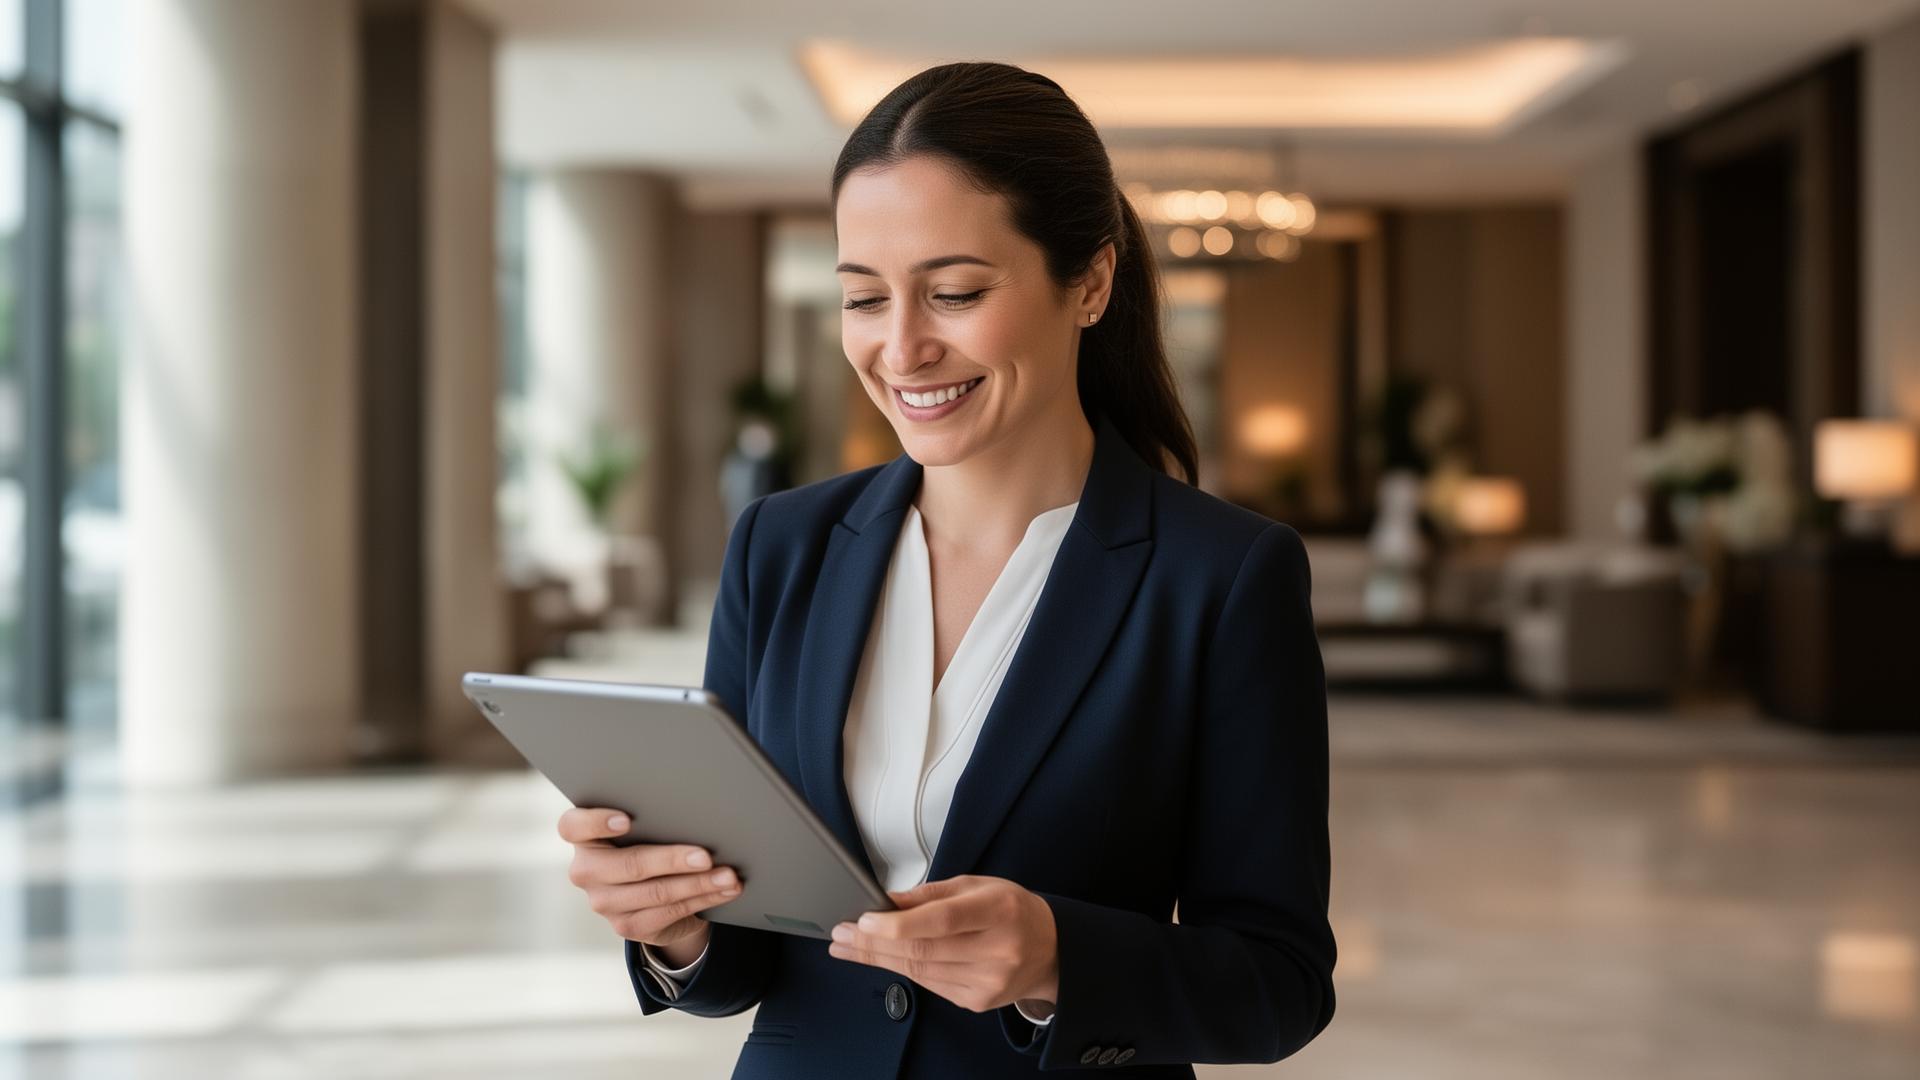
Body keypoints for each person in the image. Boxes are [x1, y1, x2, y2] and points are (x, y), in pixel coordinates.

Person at [556, 60, 1335, 1079]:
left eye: (955, 292)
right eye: (864, 298)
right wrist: (672, 929)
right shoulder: (779, 548)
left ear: (1090, 283)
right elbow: (747, 951)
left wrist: (1060, 958)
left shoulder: (1222, 578)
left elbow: (1278, 986)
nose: (902, 348)